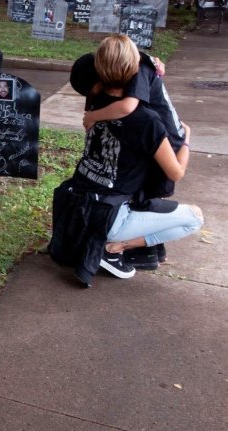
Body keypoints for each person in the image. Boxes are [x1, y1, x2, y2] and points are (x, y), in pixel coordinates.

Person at [48, 34, 203, 286]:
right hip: (106, 217)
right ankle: (115, 249)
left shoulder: (94, 106)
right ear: (136, 70)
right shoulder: (146, 120)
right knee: (195, 217)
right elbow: (175, 173)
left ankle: (122, 244)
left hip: (75, 205)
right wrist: (186, 140)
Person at [72, 46, 188, 270]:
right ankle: (151, 251)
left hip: (167, 138)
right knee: (140, 186)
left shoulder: (137, 75)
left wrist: (93, 116)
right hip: (156, 135)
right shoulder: (130, 64)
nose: (96, 96)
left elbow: (127, 106)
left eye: (94, 90)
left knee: (149, 193)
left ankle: (138, 251)